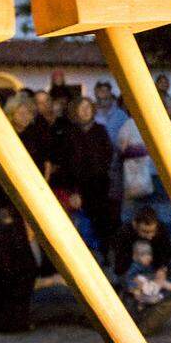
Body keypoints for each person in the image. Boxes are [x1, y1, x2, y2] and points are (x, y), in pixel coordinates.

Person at [67, 98, 115, 255]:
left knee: (102, 223)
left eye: (88, 107)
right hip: (78, 187)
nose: (85, 110)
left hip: (99, 185)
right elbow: (67, 162)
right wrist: (73, 190)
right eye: (81, 108)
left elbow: (108, 156)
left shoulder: (100, 130)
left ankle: (103, 256)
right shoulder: (71, 133)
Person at [92, 81, 129, 146]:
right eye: (101, 91)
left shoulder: (120, 115)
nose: (104, 94)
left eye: (107, 91)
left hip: (117, 154)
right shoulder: (90, 114)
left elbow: (128, 134)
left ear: (110, 93)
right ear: (96, 93)